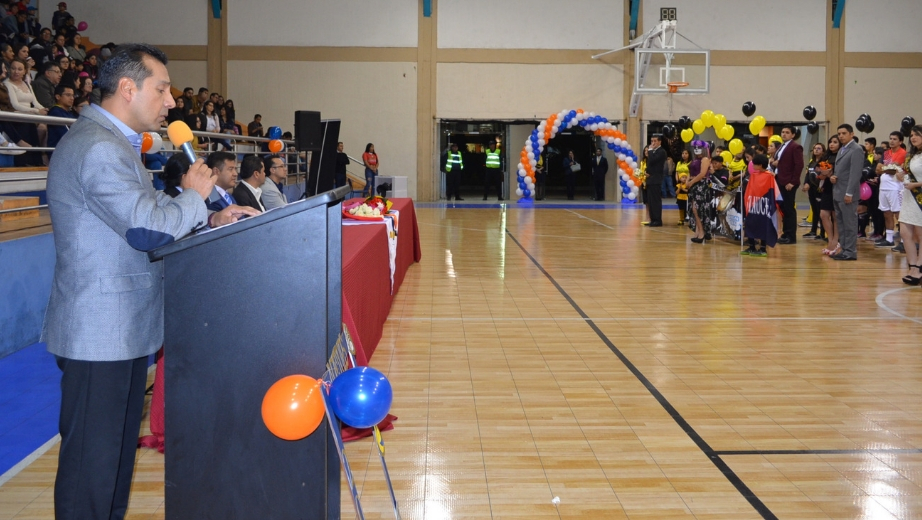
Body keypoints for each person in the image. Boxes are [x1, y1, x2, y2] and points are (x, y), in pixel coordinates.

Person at [42, 43, 257, 520]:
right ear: (126, 88)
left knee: (112, 462)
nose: (171, 102)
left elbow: (148, 217)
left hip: (119, 330)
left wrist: (211, 218)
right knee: (91, 469)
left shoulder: (112, 143)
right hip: (100, 333)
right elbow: (146, 229)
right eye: (161, 89)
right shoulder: (98, 147)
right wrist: (195, 195)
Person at [830, 124, 863, 261]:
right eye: (839, 133)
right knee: (841, 223)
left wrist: (849, 193)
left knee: (849, 223)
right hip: (838, 191)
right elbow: (843, 171)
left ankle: (850, 251)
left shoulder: (856, 149)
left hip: (847, 193)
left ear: (851, 134)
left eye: (844, 133)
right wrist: (833, 177)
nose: (841, 136)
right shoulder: (842, 149)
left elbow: (855, 174)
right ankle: (844, 249)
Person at [741, 154, 782, 257]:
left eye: (755, 164)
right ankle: (751, 246)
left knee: (763, 225)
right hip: (752, 204)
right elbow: (750, 189)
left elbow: (774, 192)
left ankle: (763, 248)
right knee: (750, 224)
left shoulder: (769, 176)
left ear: (760, 165)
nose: (753, 166)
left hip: (763, 205)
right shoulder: (754, 175)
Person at [770, 125, 804, 244]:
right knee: (783, 208)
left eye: (787, 132)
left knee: (789, 209)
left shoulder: (795, 147)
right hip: (780, 179)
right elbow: (783, 162)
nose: (784, 134)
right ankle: (785, 233)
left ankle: (790, 236)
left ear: (793, 135)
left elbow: (799, 165)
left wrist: (793, 182)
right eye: (783, 132)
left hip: (788, 182)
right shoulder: (781, 146)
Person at [896, 125, 922, 284]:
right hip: (908, 197)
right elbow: (907, 173)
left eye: (917, 135)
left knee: (920, 234)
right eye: (911, 135)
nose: (913, 137)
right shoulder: (912, 154)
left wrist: (916, 185)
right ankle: (912, 264)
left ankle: (919, 267)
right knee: (905, 233)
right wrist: (900, 176)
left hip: (919, 197)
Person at [874, 131, 907, 248]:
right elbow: (878, 169)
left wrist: (887, 168)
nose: (892, 141)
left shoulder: (903, 153)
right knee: (886, 213)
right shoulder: (886, 153)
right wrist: (889, 167)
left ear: (900, 141)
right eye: (890, 138)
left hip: (895, 187)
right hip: (884, 187)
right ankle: (889, 239)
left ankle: (904, 241)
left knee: (898, 214)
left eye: (895, 139)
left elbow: (896, 169)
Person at [816, 136, 840, 255]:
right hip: (827, 187)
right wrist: (822, 173)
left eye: (835, 142)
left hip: (837, 187)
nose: (832, 144)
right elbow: (817, 171)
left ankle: (836, 241)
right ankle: (830, 239)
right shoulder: (826, 156)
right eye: (830, 142)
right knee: (824, 214)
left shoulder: (841, 156)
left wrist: (832, 173)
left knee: (836, 215)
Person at [686, 141, 712, 243]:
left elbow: (702, 174)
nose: (696, 149)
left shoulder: (705, 159)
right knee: (694, 209)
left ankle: (702, 233)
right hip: (693, 185)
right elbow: (689, 172)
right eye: (695, 147)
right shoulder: (694, 160)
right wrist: (688, 181)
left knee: (698, 209)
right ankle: (698, 231)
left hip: (701, 185)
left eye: (699, 147)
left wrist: (691, 182)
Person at [802, 143, 827, 240]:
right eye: (815, 148)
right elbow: (807, 175)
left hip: (820, 189)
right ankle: (813, 230)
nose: (816, 150)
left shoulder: (824, 163)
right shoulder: (811, 162)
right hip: (811, 189)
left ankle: (822, 233)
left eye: (819, 148)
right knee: (814, 210)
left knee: (820, 211)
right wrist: (805, 184)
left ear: (823, 151)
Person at [644, 135, 667, 226]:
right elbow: (650, 164)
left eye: (655, 141)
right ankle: (653, 219)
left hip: (656, 179)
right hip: (650, 179)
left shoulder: (661, 151)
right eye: (651, 141)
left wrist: (649, 150)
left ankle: (657, 220)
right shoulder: (653, 152)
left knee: (655, 201)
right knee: (650, 201)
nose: (653, 143)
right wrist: (646, 172)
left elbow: (653, 160)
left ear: (659, 142)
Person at [46, 84, 75, 150]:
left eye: (73, 95)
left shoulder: (70, 113)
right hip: (58, 151)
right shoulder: (55, 112)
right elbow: (66, 134)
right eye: (68, 95)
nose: (72, 98)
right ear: (58, 97)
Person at [675, 148, 690, 225]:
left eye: (686, 153)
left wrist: (687, 181)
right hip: (680, 181)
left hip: (688, 182)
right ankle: (681, 218)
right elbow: (676, 172)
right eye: (683, 153)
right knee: (680, 203)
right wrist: (678, 180)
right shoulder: (679, 163)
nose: (684, 155)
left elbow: (690, 173)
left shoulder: (691, 163)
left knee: (688, 203)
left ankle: (688, 217)